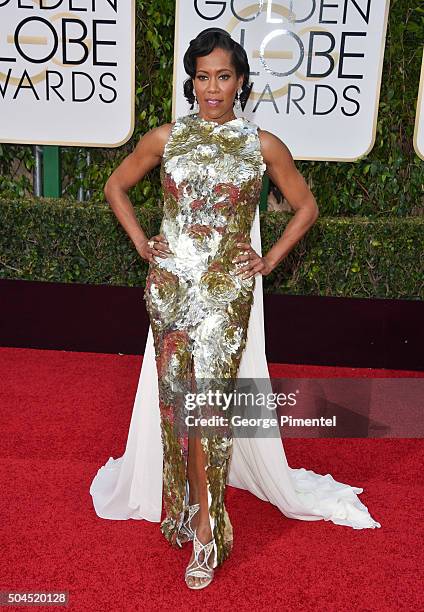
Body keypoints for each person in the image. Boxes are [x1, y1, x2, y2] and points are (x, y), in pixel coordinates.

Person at [90, 28, 381, 591]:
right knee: (179, 407)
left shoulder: (261, 144)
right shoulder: (166, 138)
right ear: (191, 80)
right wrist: (144, 245)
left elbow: (306, 206)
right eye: (202, 77)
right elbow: (114, 187)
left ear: (241, 81)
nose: (212, 88)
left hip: (226, 293)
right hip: (172, 288)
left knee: (210, 411)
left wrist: (268, 259)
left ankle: (207, 527)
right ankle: (183, 506)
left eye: (223, 76)